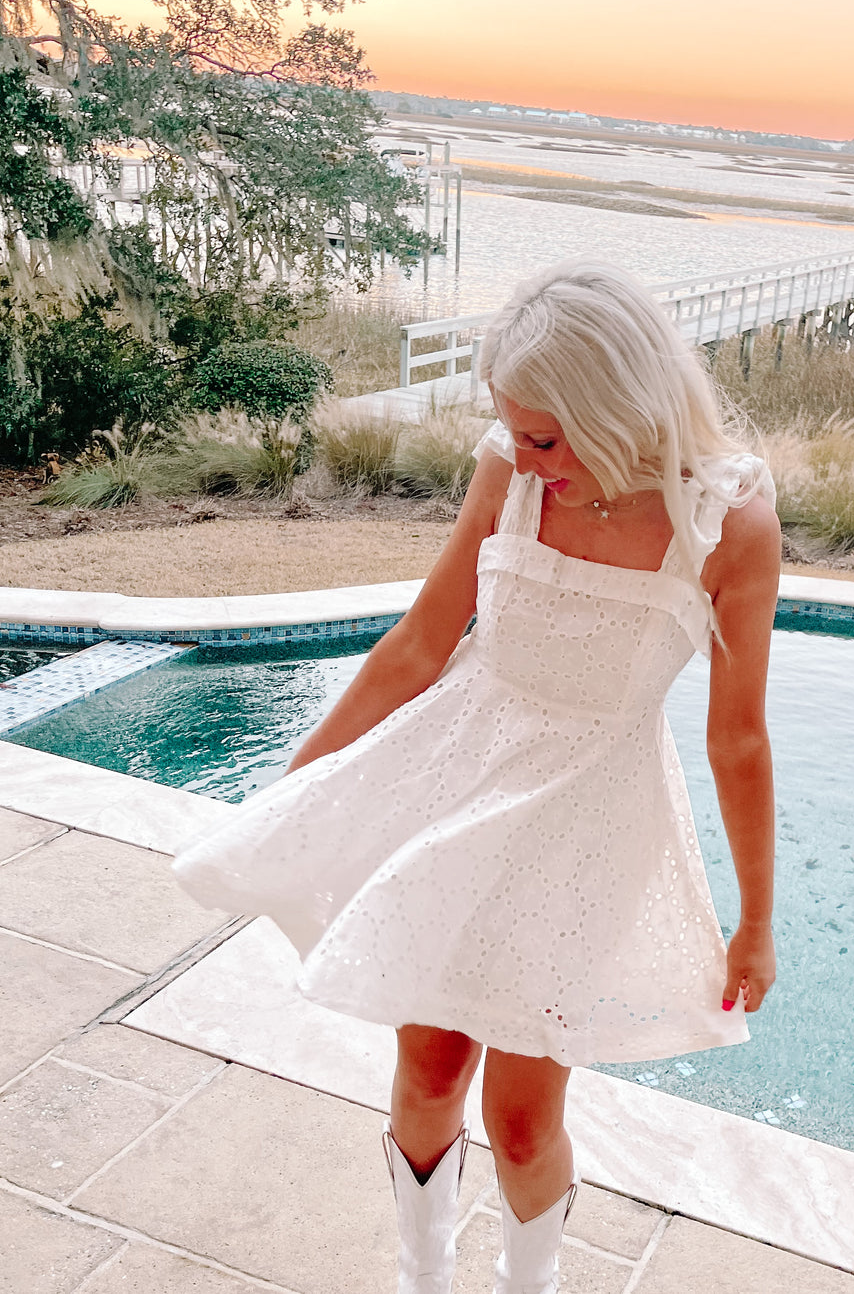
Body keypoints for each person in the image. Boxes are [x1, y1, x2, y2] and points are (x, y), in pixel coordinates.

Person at [173, 259, 781, 1294]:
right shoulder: (508, 471)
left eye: (545, 435)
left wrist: (755, 917)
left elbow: (738, 738)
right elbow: (418, 644)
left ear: (618, 408)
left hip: (590, 824)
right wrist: (299, 780)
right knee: (429, 1067)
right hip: (455, 788)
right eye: (514, 430)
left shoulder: (727, 525)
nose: (525, 456)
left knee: (520, 1111)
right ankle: (423, 1268)